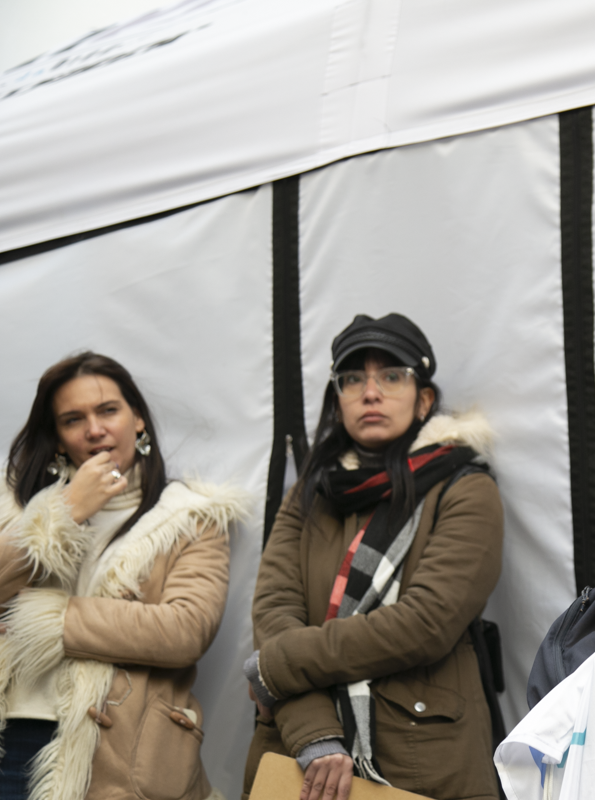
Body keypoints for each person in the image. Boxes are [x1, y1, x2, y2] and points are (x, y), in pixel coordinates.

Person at [242, 313, 503, 800]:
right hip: (299, 755)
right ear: (337, 399)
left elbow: (426, 623)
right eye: (352, 379)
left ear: (424, 399)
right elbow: (274, 612)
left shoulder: (466, 488)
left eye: (391, 376)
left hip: (423, 760)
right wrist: (314, 733)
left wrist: (276, 665)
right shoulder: (309, 494)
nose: (370, 392)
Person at [0, 352, 245, 800]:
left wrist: (49, 619)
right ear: (58, 438)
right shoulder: (15, 505)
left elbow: (185, 629)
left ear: (138, 420)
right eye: (73, 419)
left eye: (108, 410)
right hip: (13, 739)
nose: (94, 429)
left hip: (119, 751)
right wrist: (67, 511)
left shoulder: (189, 516)